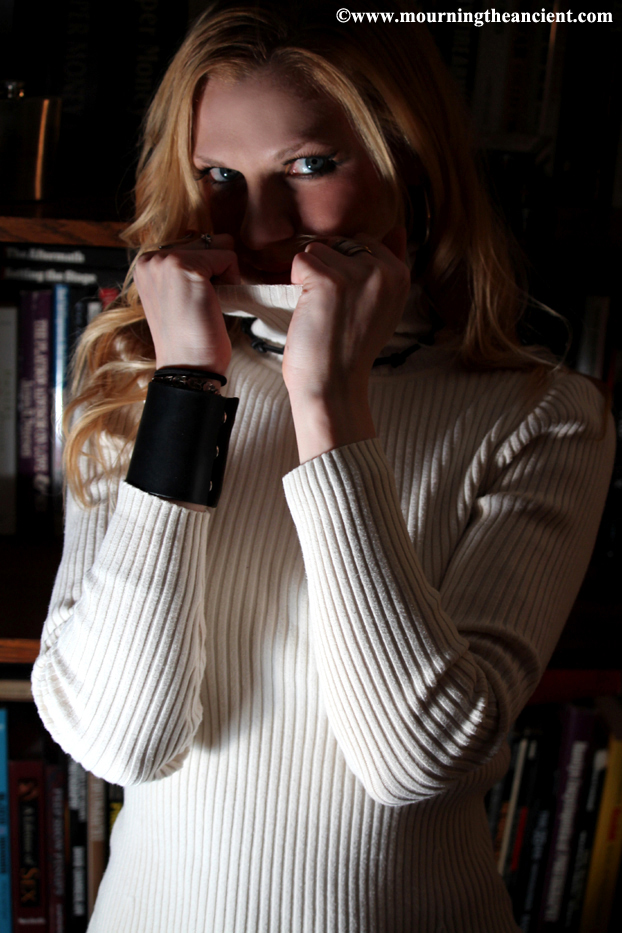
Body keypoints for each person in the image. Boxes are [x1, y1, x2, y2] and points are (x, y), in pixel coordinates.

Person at [31, 2, 615, 931]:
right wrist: (185, 392)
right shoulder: (131, 384)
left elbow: (415, 760)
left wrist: (329, 402)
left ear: (407, 161)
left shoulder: (545, 416)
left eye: (308, 165)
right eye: (219, 175)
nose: (259, 224)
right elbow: (121, 742)